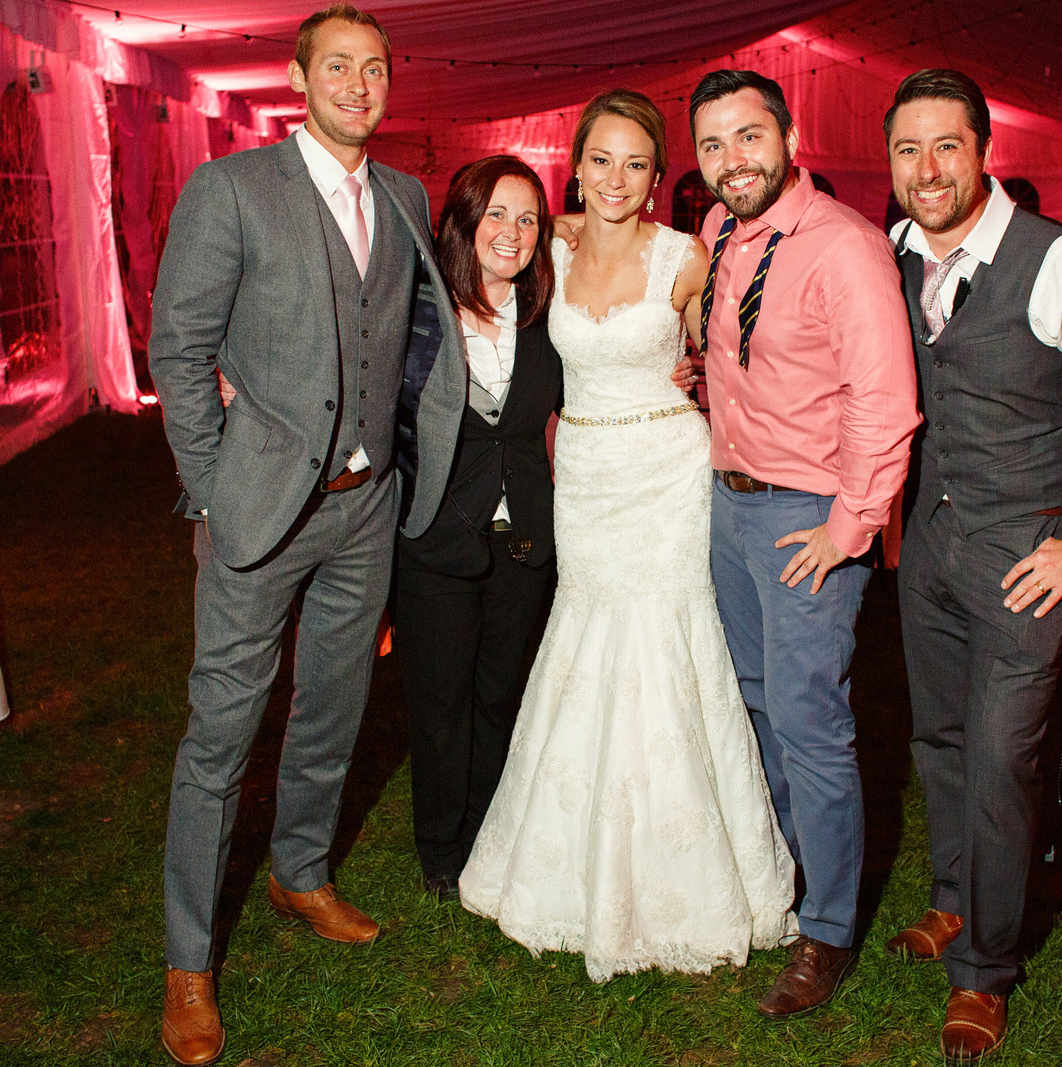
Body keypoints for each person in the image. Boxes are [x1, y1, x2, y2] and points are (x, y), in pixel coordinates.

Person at [147, 6, 465, 1064]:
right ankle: (188, 959)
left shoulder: (406, 194)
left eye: (375, 68)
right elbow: (179, 350)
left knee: (333, 705)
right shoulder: (231, 189)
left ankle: (300, 871)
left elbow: (411, 336)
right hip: (260, 509)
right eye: (338, 66)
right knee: (221, 733)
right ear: (298, 77)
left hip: (366, 509)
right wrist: (210, 489)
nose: (359, 85)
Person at [458, 89, 795, 982]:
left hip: (667, 477)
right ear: (576, 168)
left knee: (670, 646)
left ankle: (691, 874)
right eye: (601, 160)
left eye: (636, 163)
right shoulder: (549, 248)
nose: (617, 178)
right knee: (586, 640)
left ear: (657, 176)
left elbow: (731, 361)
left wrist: (707, 382)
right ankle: (571, 863)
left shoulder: (687, 257)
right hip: (586, 479)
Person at [882, 69, 1062, 1061]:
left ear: (984, 151)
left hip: (1025, 554)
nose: (926, 169)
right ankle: (954, 900)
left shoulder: (1061, 261)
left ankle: (984, 971)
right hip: (930, 543)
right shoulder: (895, 249)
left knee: (1003, 759)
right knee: (940, 738)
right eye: (907, 149)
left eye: (945, 146)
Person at [687, 70, 920, 1018]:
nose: (732, 160)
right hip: (727, 505)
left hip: (806, 517)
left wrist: (846, 527)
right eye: (712, 145)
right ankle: (785, 876)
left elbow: (886, 403)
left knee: (809, 721)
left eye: (749, 136)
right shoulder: (719, 231)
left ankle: (827, 928)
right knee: (755, 703)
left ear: (788, 136)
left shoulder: (846, 247)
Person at [389, 156, 561, 901]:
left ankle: (489, 837)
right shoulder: (417, 313)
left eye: (528, 219)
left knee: (500, 695)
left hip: (523, 538)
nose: (512, 232)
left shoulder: (551, 316)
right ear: (462, 221)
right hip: (435, 538)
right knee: (439, 702)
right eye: (496, 213)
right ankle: (441, 848)